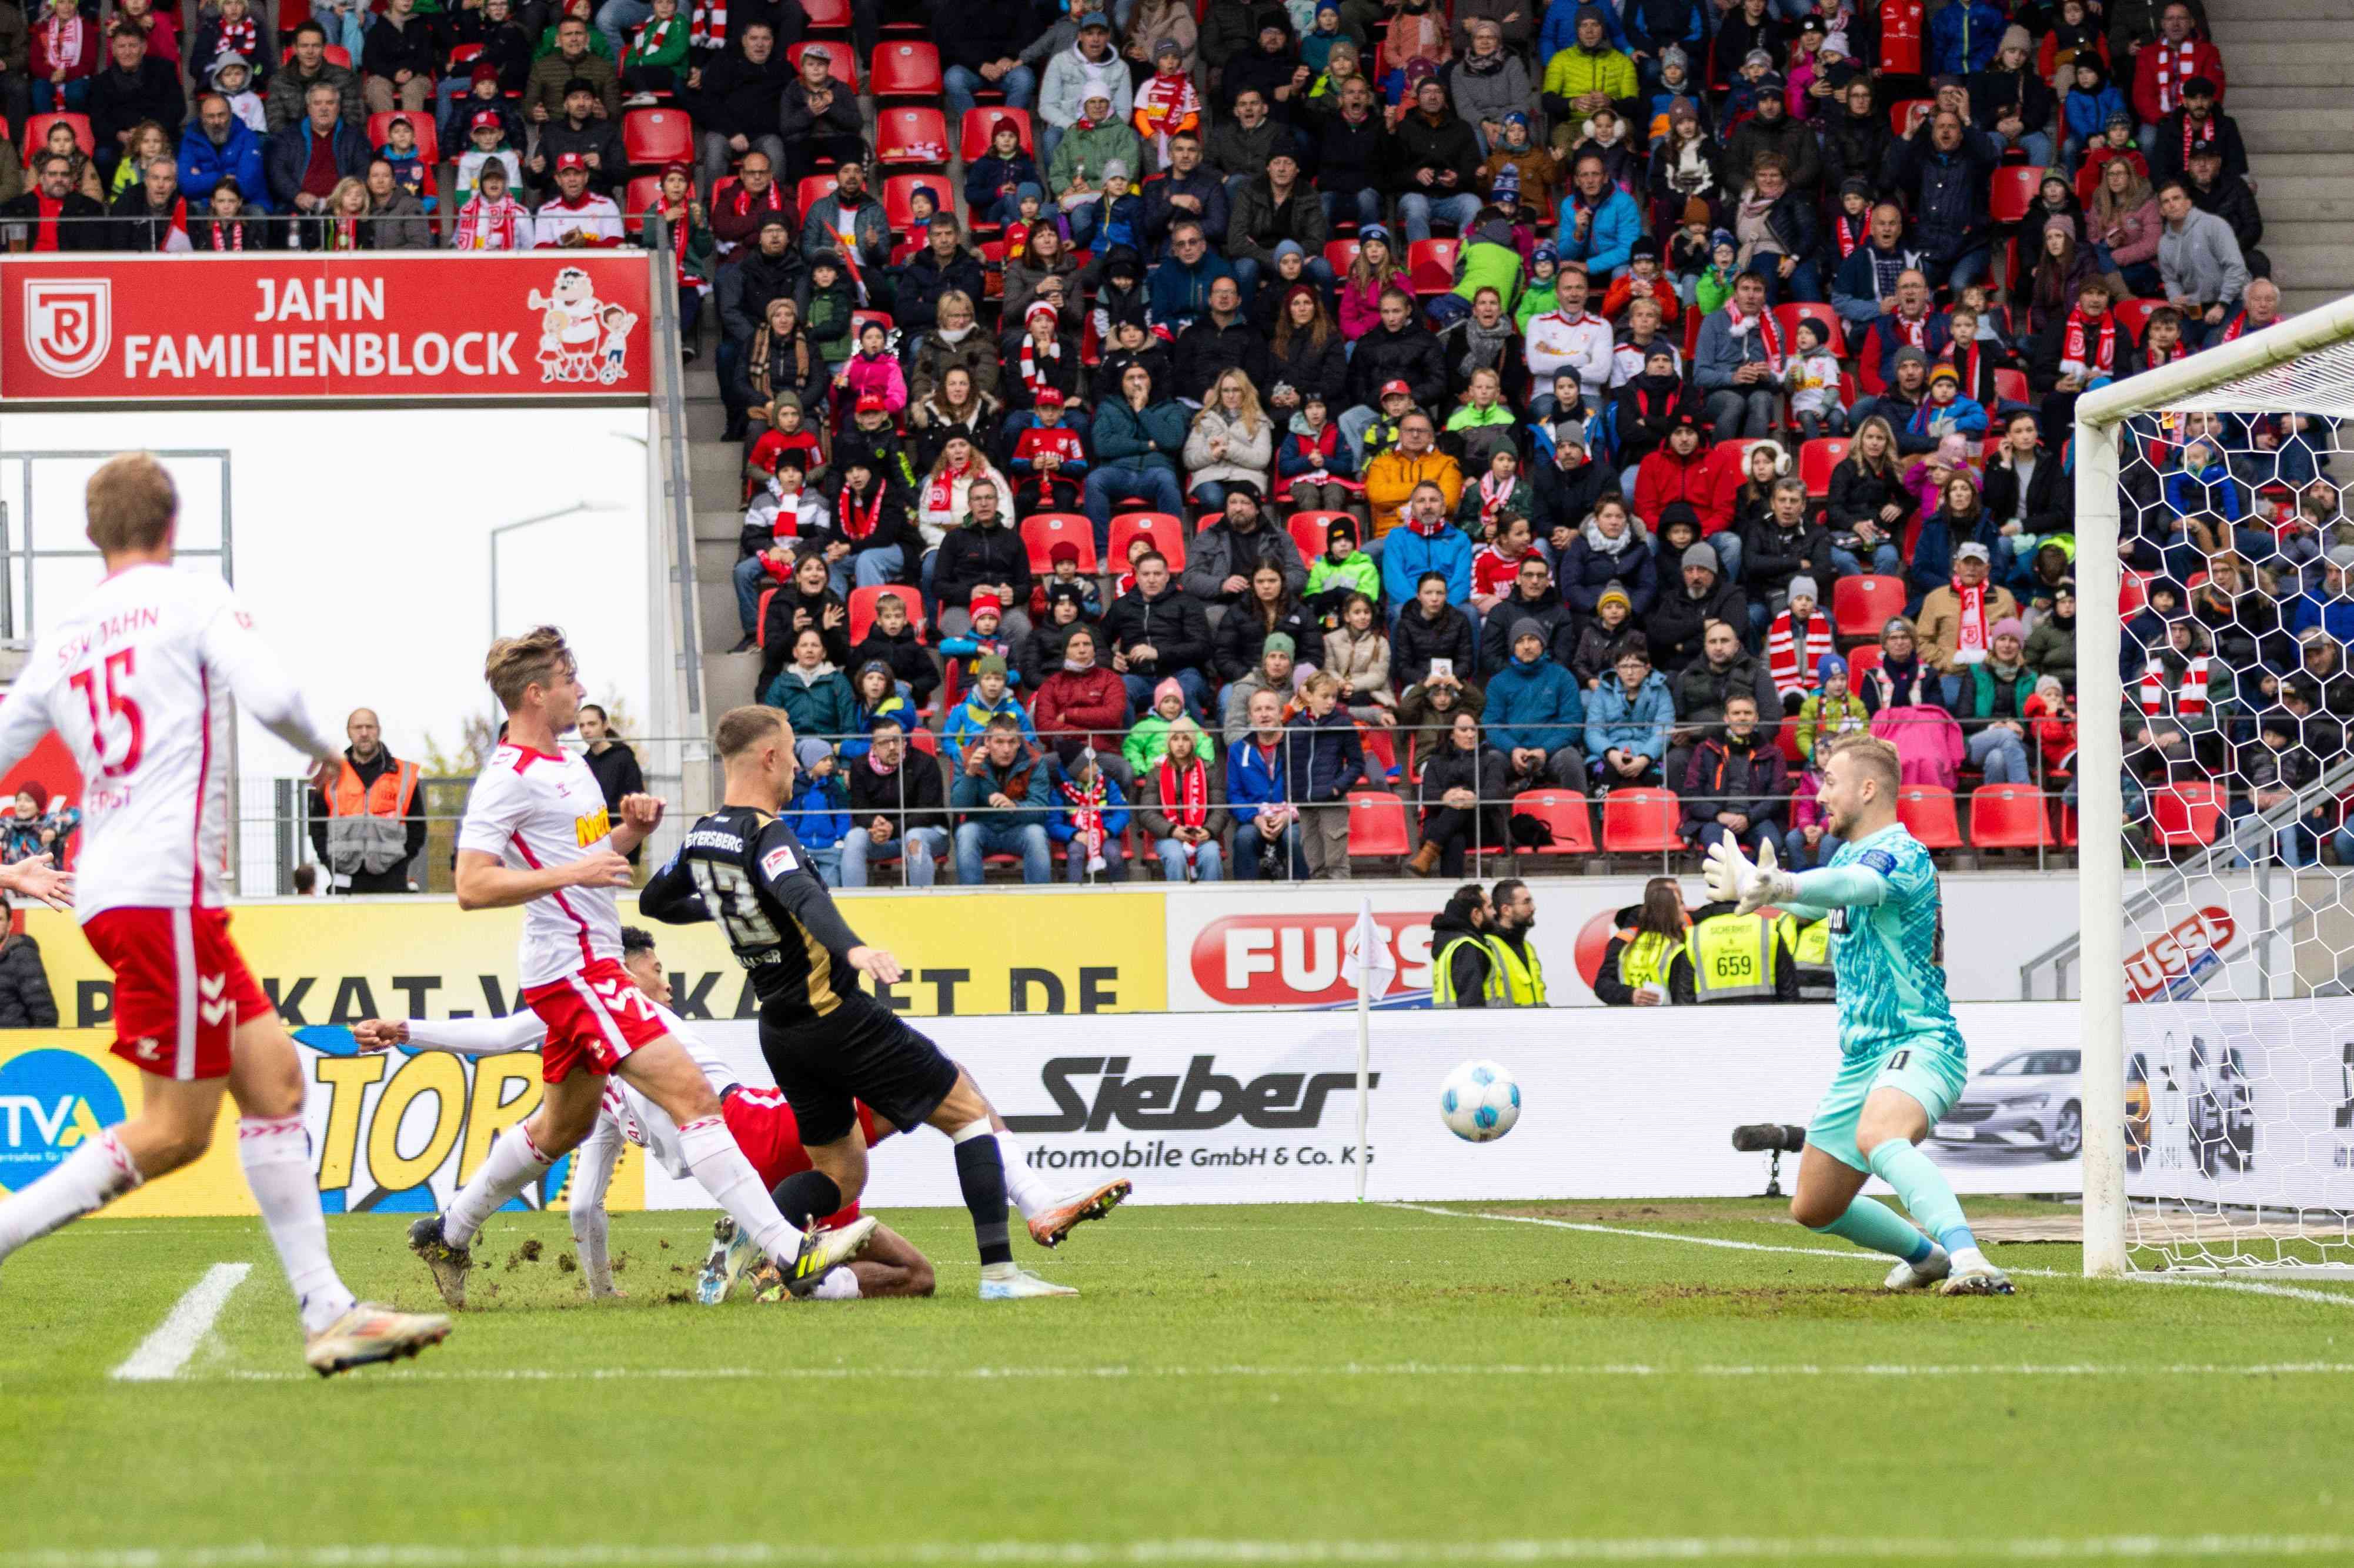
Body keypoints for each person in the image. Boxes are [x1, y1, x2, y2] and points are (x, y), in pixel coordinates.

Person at [0, 453, 448, 1376]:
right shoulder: (192, 597)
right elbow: (277, 696)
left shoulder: (65, 634)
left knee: (277, 1078)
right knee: (172, 1131)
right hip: (163, 888)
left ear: (93, 536)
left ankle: (329, 1309)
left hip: (126, 888)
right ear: (173, 525)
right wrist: (328, 751)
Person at [645, 707, 1090, 1299]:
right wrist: (852, 950)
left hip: (780, 1031)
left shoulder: (703, 836)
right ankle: (1001, 1274)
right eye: (791, 755)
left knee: (839, 1172)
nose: (797, 774)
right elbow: (802, 894)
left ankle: (757, 1241)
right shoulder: (766, 834)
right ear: (769, 757)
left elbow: (656, 901)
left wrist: (738, 904)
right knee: (966, 1109)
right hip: (837, 1016)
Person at [1703, 733, 2014, 1295]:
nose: (1820, 796)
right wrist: (1758, 887)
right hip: (1862, 1057)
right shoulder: (1848, 855)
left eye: (1829, 782)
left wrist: (1785, 880)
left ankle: (1971, 1260)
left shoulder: (1901, 852)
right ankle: (1929, 1258)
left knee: (1880, 1135)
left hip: (1920, 1042)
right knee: (1814, 1206)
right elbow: (1829, 891)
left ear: (1867, 788)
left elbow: (1854, 885)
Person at [306, 707, 425, 893]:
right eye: (358, 728)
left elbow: (418, 827)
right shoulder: (331, 773)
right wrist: (328, 861)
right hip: (343, 875)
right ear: (349, 732)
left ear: (379, 730)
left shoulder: (403, 774)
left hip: (392, 877)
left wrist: (402, 863)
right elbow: (317, 825)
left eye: (370, 727)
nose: (364, 733)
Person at [951, 714, 1051, 885]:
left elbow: (1041, 810)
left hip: (1018, 828)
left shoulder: (1034, 761)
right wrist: (971, 773)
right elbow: (959, 807)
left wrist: (1015, 806)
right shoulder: (967, 757)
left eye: (1012, 742)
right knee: (966, 833)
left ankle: (1038, 901)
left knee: (1036, 834)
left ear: (1019, 743)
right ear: (987, 742)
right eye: (999, 742)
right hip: (983, 828)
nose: (1006, 749)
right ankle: (972, 902)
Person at [1411, 710, 1509, 878]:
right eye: (1464, 730)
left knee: (1461, 802)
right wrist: (1445, 798)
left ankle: (1428, 851)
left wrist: (1474, 797)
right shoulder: (1436, 761)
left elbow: (1497, 793)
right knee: (1455, 839)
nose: (1471, 735)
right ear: (1451, 734)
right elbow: (1428, 795)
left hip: (1481, 826)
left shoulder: (1490, 760)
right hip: (1445, 825)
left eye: (1474, 730)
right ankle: (1454, 892)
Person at [1592, 878, 1697, 1006]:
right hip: (1663, 1018)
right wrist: (1630, 995)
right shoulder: (1625, 940)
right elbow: (1603, 984)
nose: (1684, 907)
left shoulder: (1684, 936)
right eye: (1677, 901)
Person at [1430, 882, 1500, 1006]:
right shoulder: (1468, 948)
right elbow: (1471, 1002)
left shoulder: (1451, 942)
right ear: (1476, 914)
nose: (1495, 912)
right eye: (1490, 907)